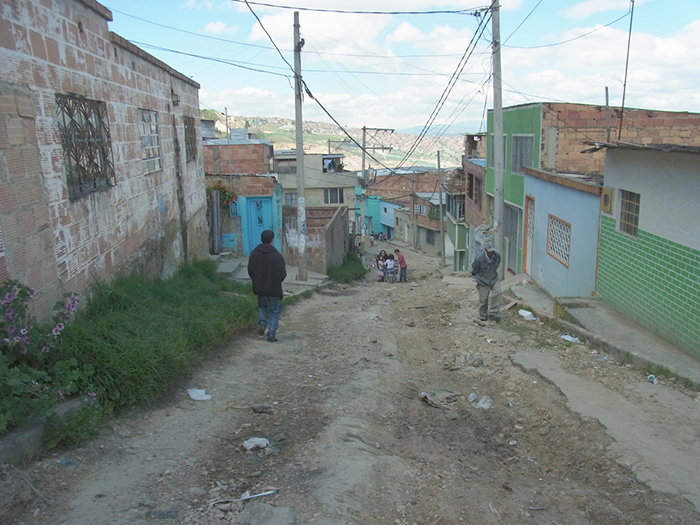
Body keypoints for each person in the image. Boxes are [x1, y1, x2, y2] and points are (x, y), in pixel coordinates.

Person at [248, 230, 287, 342]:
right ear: (272, 240)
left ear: (261, 239)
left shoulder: (254, 254)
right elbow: (283, 273)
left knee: (262, 306)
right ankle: (271, 334)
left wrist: (257, 281)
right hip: (274, 289)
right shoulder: (277, 256)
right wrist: (276, 281)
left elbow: (251, 270)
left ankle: (263, 323)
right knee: (275, 310)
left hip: (260, 288)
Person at [471, 240, 501, 322]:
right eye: (490, 251)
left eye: (493, 251)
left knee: (497, 293)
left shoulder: (497, 256)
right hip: (483, 281)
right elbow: (475, 268)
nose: (491, 253)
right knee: (483, 299)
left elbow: (497, 264)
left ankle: (494, 313)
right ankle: (483, 315)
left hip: (494, 278)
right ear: (486, 250)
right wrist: (477, 277)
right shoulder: (479, 258)